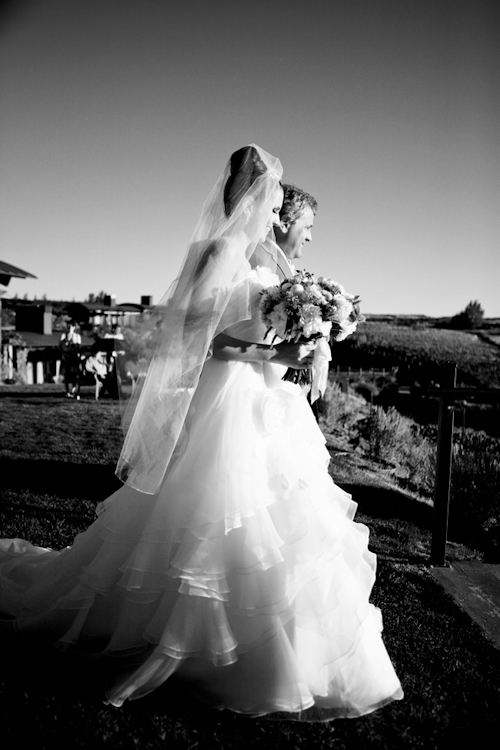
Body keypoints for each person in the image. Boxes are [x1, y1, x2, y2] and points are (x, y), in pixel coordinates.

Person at [0, 145, 403, 718]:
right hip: (228, 401)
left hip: (267, 400)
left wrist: (305, 346)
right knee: (215, 514)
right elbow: (199, 335)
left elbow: (254, 328)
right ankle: (198, 643)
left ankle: (282, 646)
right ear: (256, 198)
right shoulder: (220, 251)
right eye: (271, 201)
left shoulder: (262, 257)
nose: (275, 212)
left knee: (277, 517)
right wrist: (276, 348)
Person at [59, 319, 82, 399]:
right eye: (68, 326)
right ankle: (67, 391)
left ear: (74, 327)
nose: (69, 328)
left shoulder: (77, 337)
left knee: (74, 375)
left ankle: (73, 390)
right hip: (65, 358)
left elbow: (78, 348)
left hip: (73, 359)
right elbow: (60, 347)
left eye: (71, 326)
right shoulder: (63, 336)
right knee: (66, 375)